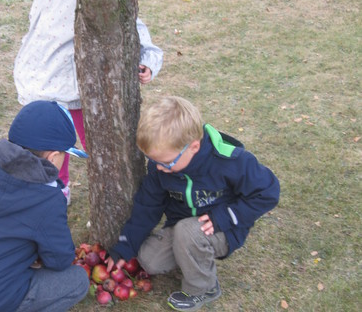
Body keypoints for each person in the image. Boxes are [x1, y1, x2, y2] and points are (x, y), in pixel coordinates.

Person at [13, 0, 164, 204]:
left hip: (70, 89)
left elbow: (127, 23)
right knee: (52, 144)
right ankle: (57, 186)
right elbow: (36, 29)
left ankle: (116, 194)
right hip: (41, 85)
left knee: (98, 145)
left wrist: (148, 58)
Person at [105, 96, 280, 311]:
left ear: (193, 147)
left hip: (224, 228)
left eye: (166, 162)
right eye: (154, 161)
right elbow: (147, 206)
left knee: (188, 232)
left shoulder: (230, 161)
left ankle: (204, 288)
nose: (159, 168)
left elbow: (268, 192)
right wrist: (125, 246)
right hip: (182, 227)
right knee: (150, 260)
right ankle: (193, 257)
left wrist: (226, 217)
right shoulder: (161, 166)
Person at [0, 101, 90, 312]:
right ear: (53, 157)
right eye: (65, 155)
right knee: (77, 281)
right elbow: (60, 259)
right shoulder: (47, 198)